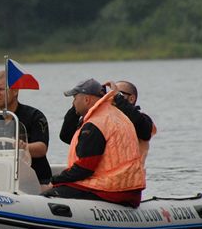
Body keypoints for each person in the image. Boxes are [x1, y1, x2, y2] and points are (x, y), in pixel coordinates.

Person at [43, 78, 145, 208]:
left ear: (86, 100)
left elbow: (84, 168)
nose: (73, 102)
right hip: (127, 189)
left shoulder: (95, 124)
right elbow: (66, 135)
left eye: (75, 98)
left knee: (48, 195)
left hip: (110, 190)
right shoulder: (116, 115)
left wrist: (54, 180)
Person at [0, 70, 52, 186]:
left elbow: (42, 149)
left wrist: (24, 147)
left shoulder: (35, 116)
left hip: (35, 180)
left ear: (15, 91)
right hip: (0, 179)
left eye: (1, 89)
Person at [60, 80, 156, 166]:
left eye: (119, 94)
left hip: (127, 178)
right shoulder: (101, 120)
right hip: (101, 177)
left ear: (131, 99)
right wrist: (79, 104)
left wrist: (118, 97)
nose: (111, 97)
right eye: (109, 94)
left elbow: (145, 131)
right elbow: (67, 137)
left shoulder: (143, 120)